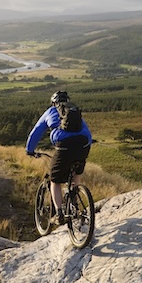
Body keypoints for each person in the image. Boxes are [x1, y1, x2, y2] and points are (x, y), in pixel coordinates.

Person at [25, 91, 92, 225]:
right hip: (84, 143)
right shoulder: (73, 110)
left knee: (54, 180)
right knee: (76, 172)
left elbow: (36, 132)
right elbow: (85, 130)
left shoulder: (50, 111)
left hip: (64, 146)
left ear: (53, 102)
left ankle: (59, 214)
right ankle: (74, 200)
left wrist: (29, 150)